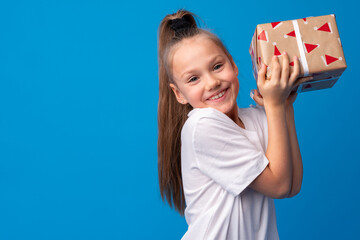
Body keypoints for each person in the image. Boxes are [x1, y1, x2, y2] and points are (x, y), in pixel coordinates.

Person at [157, 9, 303, 240]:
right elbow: (279, 186)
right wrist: (274, 106)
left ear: (233, 65)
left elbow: (292, 185)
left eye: (217, 66)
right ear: (179, 94)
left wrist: (285, 108)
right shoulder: (201, 126)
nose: (213, 82)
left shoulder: (257, 117)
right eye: (194, 79)